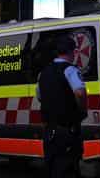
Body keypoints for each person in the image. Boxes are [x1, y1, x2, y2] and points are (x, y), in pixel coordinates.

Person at [35, 35, 86, 178]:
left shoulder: (43, 73)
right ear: (72, 52)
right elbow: (80, 93)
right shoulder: (70, 70)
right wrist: (82, 110)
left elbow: (39, 96)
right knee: (68, 168)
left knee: (52, 169)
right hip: (67, 130)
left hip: (50, 131)